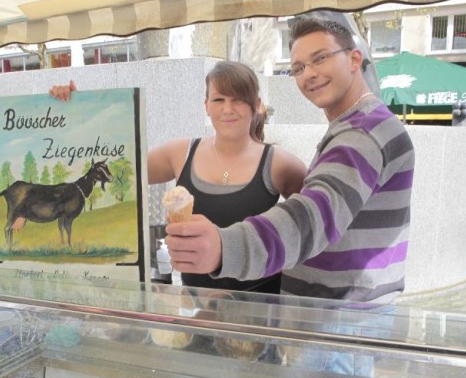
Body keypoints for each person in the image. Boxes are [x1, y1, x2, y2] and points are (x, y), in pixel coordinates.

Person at [165, 16, 415, 303]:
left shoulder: (363, 132)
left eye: (320, 58)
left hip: (342, 315)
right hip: (334, 309)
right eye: (298, 68)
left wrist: (225, 248)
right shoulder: (356, 125)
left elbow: (312, 217)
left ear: (354, 59)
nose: (309, 74)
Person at [49, 61, 307, 294]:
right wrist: (77, 111)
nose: (228, 109)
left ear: (257, 105)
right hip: (196, 307)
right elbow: (117, 167)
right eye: (218, 99)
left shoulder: (280, 164)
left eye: (238, 100)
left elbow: (312, 229)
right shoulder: (181, 153)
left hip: (261, 306)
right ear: (206, 105)